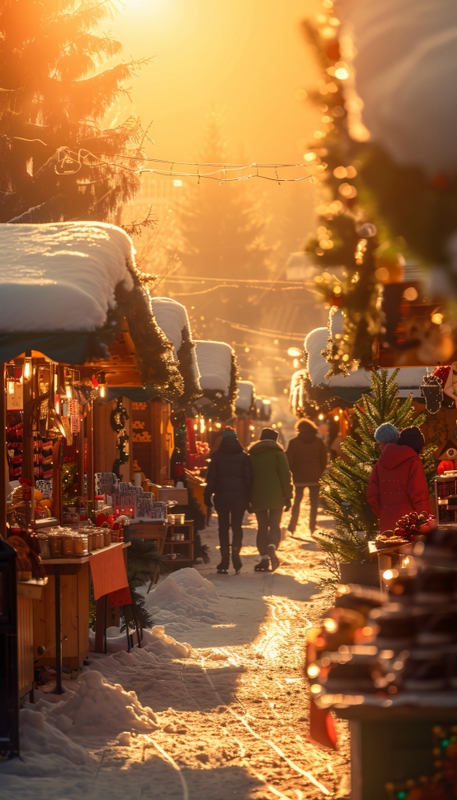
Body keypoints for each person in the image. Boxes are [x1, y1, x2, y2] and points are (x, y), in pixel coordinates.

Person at [204, 427, 252, 574]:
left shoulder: (217, 457)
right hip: (239, 498)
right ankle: (236, 557)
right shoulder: (244, 457)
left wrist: (207, 496)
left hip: (222, 497)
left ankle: (224, 560)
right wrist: (250, 499)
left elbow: (211, 479)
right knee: (237, 528)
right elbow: (249, 480)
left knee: (223, 528)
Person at [367, 425, 431, 533]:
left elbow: (372, 496)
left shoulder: (379, 464)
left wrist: (383, 514)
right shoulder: (413, 460)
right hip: (410, 523)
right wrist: (427, 520)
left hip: (387, 522)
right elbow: (418, 495)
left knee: (389, 547)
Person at [248, 427, 293, 571]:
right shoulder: (278, 454)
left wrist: (248, 497)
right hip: (276, 495)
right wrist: (288, 496)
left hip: (257, 495)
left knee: (262, 527)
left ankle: (263, 558)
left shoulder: (252, 455)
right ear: (275, 440)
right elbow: (285, 476)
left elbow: (248, 478)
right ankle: (272, 546)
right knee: (274, 525)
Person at [285, 419, 327, 534]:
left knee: (297, 501)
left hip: (299, 477)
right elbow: (324, 460)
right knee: (314, 503)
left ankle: (292, 525)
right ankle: (312, 526)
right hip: (315, 477)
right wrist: (319, 471)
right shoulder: (319, 442)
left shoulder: (293, 443)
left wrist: (293, 471)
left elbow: (290, 461)